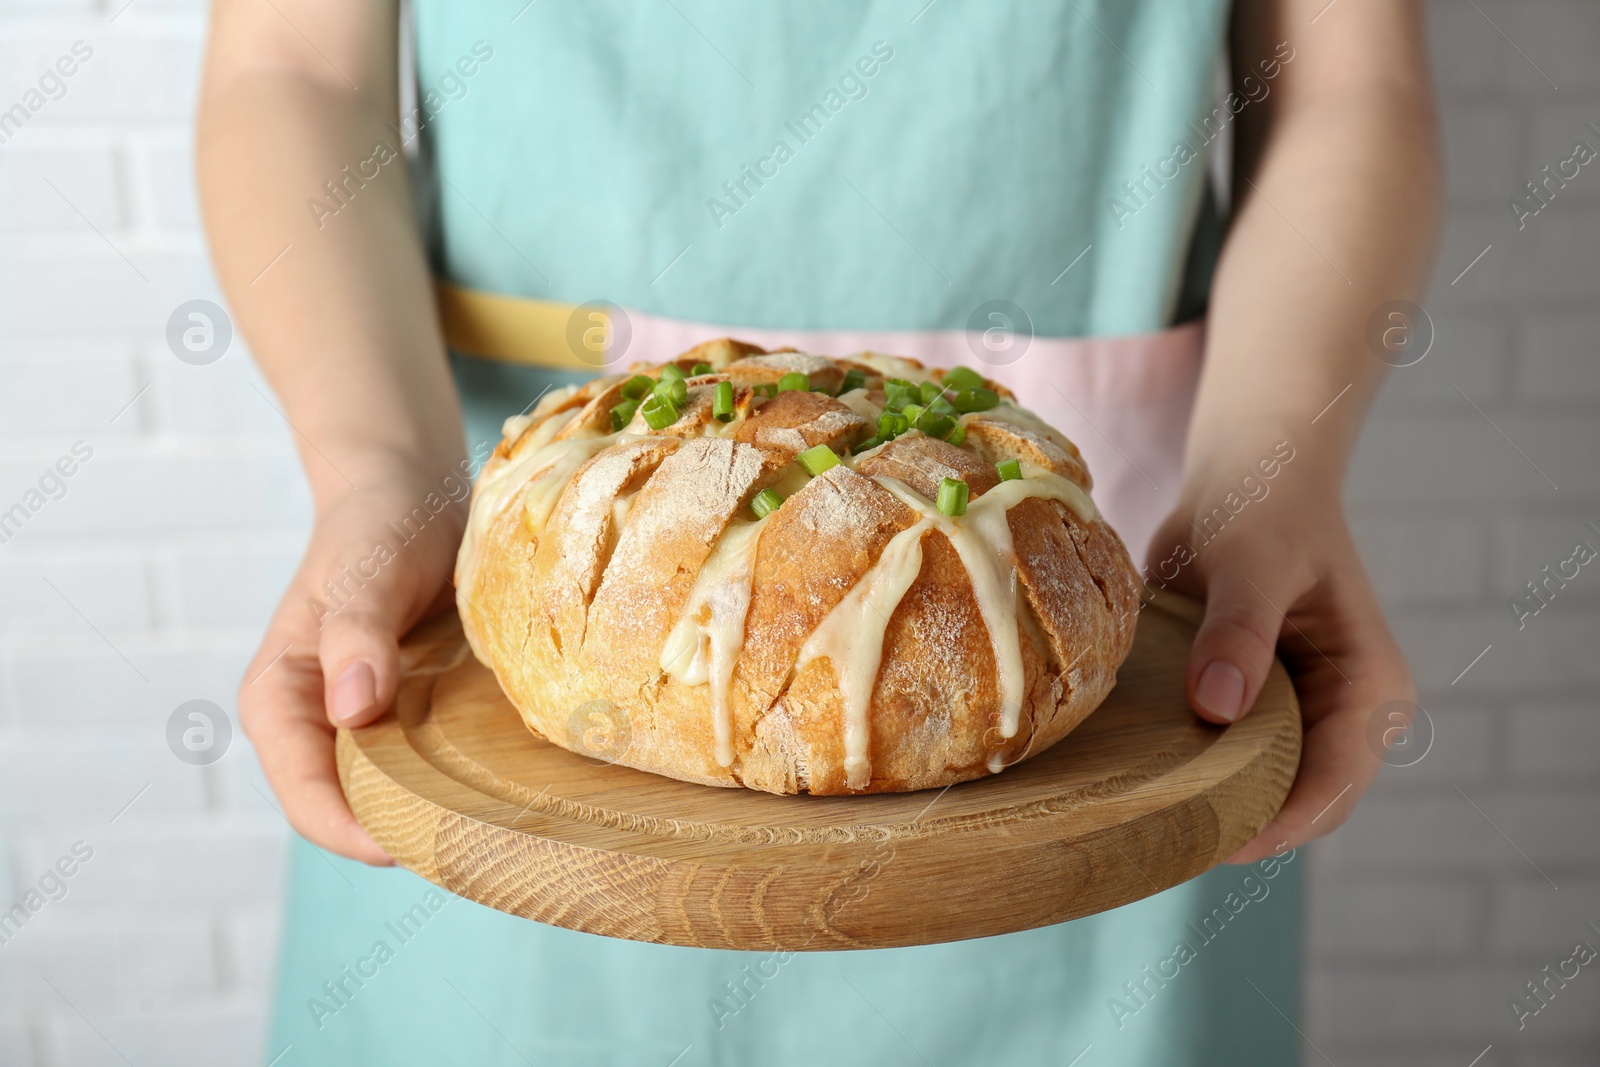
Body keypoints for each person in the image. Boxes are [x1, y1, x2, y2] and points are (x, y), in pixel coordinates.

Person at [198, 1, 1438, 1062]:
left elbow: (1343, 78)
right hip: (533, 594)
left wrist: (1273, 469)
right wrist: (377, 479)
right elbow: (292, 66)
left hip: (1101, 671)